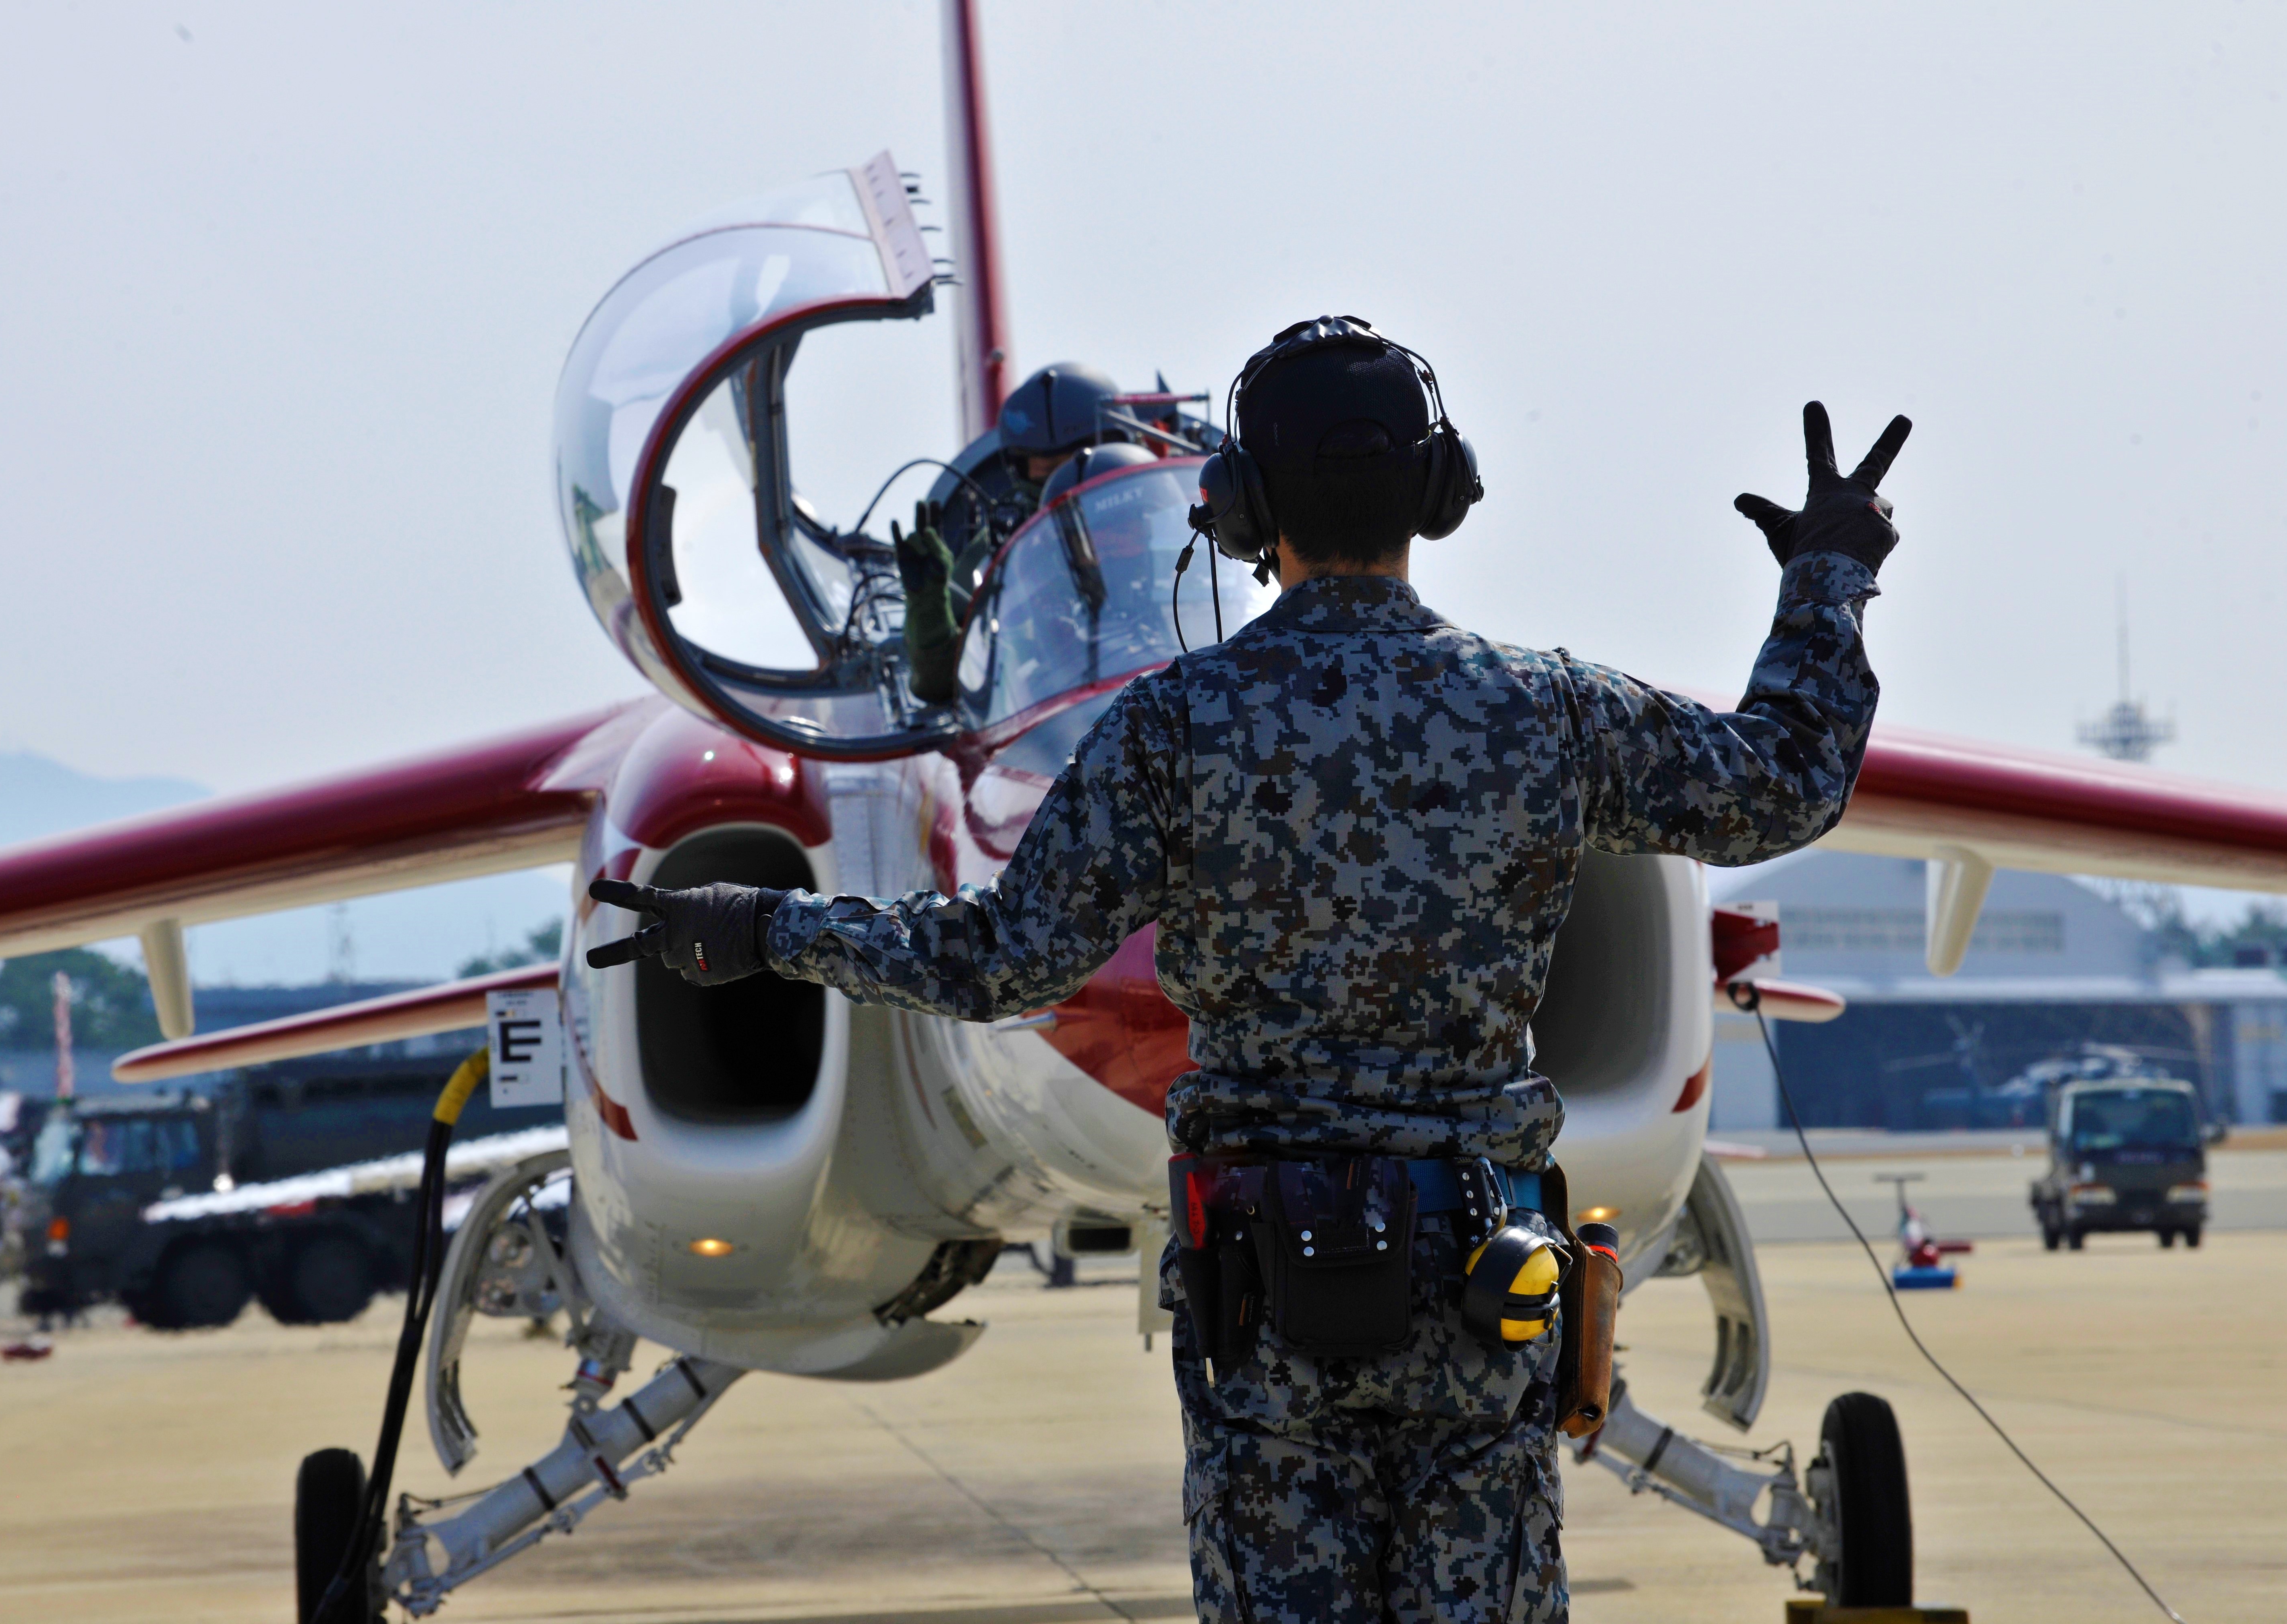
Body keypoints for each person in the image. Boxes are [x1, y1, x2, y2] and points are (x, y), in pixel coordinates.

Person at [592, 315, 1909, 1623]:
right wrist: (1825, 581)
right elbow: (1780, 785)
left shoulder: (1169, 728)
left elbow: (1002, 959)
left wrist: (767, 933)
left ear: (1237, 511)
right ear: (1438, 494)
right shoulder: (1544, 710)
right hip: (1481, 1285)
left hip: (1268, 1303)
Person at [896, 362, 1125, 702]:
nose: (1066, 483)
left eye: (1075, 465)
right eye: (1047, 473)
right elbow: (942, 684)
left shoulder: (1182, 528)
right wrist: (928, 604)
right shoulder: (1004, 554)